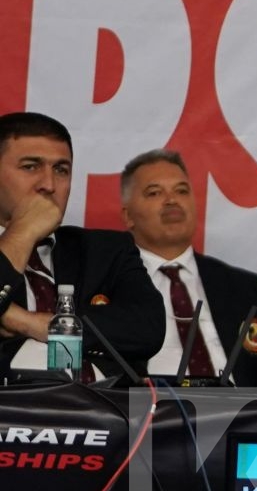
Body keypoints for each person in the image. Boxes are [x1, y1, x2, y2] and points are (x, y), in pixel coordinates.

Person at [0, 112, 165, 377]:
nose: (49, 185)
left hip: (106, 412)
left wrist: (30, 323)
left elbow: (147, 328)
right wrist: (23, 231)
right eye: (30, 166)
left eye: (61, 170)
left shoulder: (105, 249)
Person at [109, 147, 257, 384]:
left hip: (239, 416)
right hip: (146, 414)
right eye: (154, 193)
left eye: (182, 191)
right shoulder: (107, 283)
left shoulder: (245, 288)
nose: (172, 200)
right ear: (128, 216)